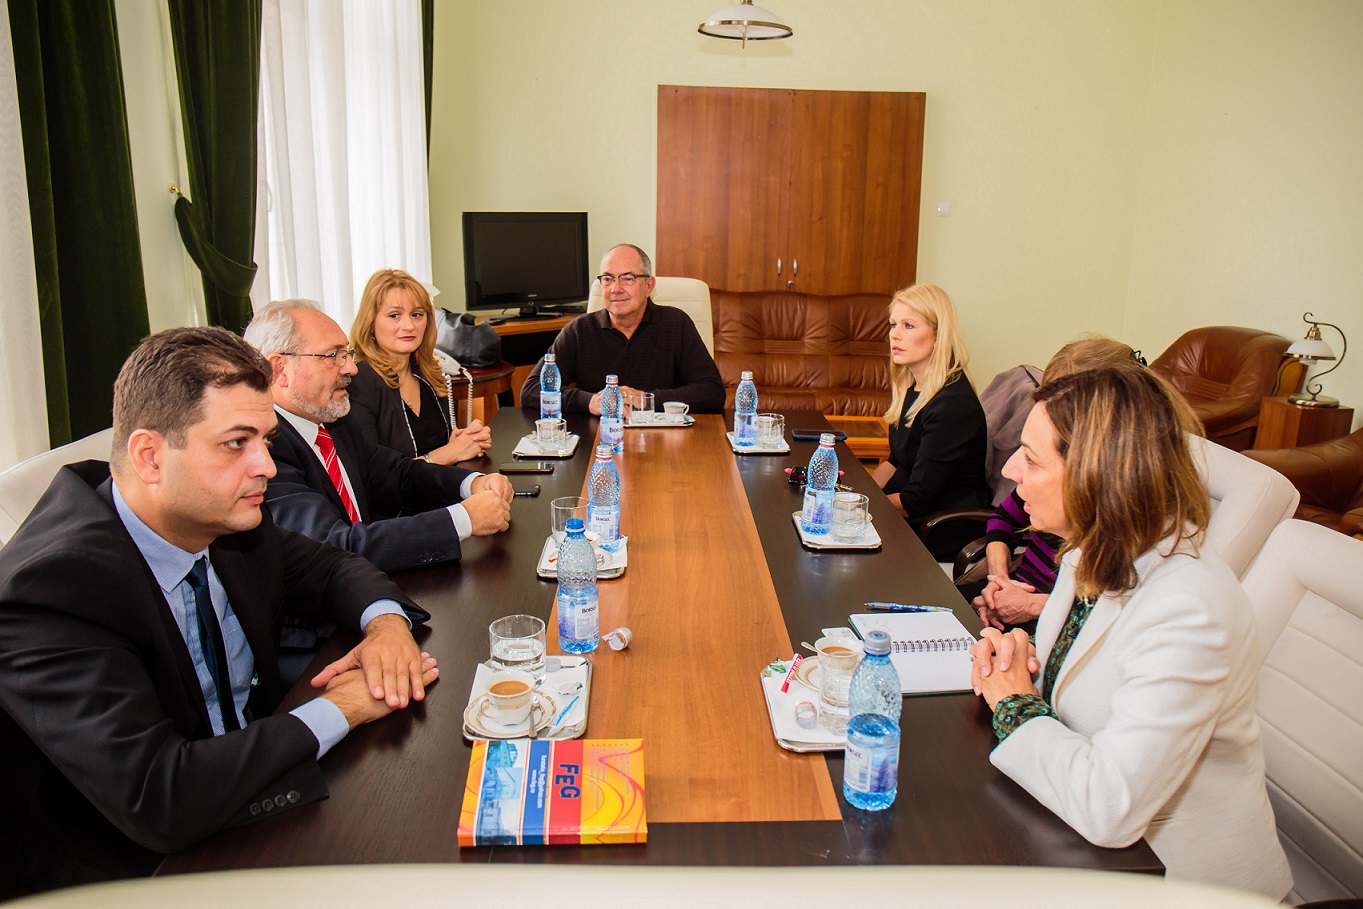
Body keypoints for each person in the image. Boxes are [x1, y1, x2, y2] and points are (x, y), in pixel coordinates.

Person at [0, 327, 438, 892]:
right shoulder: (51, 590)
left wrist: (384, 626)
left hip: (251, 797)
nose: (268, 467)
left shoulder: (219, 519)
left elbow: (334, 568)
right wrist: (346, 707)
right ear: (150, 456)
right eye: (237, 443)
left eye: (267, 440)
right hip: (125, 868)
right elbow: (161, 797)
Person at [970, 366, 1291, 898]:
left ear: (1094, 475)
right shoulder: (1090, 549)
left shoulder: (1191, 608)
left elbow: (1109, 806)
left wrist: (1014, 704)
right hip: (1080, 847)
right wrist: (1017, 660)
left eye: (1030, 458)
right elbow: (1067, 689)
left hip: (1177, 882)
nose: (1010, 470)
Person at [244, 300, 512, 576]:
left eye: (346, 353)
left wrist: (472, 484)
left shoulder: (333, 421)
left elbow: (397, 474)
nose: (351, 368)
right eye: (333, 356)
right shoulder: (262, 449)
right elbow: (336, 546)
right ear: (279, 370)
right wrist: (464, 519)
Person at [974, 337, 1142, 632]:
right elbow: (1005, 517)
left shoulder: (1127, 514)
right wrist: (1000, 582)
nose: (1011, 470)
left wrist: (1031, 605)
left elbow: (1101, 612)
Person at [519, 243, 725, 415]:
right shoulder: (580, 330)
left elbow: (713, 392)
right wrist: (589, 401)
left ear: (649, 285)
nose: (615, 289)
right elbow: (531, 390)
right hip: (598, 443)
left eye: (627, 278)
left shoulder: (676, 324)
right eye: (607, 279)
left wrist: (644, 399)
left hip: (663, 438)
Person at [869, 283, 989, 561]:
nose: (894, 335)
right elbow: (895, 460)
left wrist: (859, 509)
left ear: (938, 335)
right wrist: (860, 493)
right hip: (911, 510)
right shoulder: (912, 388)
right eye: (893, 324)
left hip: (940, 525)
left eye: (909, 326)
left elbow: (916, 500)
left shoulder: (952, 404)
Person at [343, 269, 491, 465]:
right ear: (370, 322)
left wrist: (465, 442)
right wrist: (449, 453)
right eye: (394, 315)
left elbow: (438, 450)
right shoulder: (358, 382)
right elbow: (374, 476)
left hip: (441, 489)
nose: (409, 325)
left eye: (416, 314)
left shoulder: (428, 373)